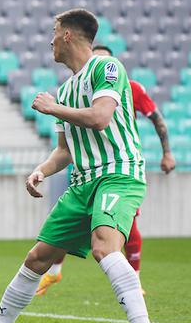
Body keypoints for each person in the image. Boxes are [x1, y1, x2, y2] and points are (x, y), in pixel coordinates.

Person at [0, 9, 162, 323]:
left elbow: (101, 118)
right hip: (82, 183)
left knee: (103, 245)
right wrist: (41, 171)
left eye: (54, 31)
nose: (50, 40)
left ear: (68, 36)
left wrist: (54, 108)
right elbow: (65, 151)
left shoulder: (106, 69)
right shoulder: (65, 88)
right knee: (37, 259)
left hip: (117, 174)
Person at [37, 44, 176, 297]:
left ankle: (134, 281)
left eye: (104, 62)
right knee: (71, 223)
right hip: (87, 166)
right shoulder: (77, 89)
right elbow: (66, 144)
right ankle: (55, 270)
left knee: (124, 226)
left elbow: (156, 118)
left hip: (119, 168)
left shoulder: (130, 87)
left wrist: (167, 152)